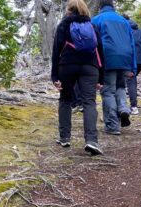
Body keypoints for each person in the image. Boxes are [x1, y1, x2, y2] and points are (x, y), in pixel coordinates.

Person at [51, 0, 103, 155]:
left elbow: (56, 51)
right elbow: (101, 52)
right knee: (89, 102)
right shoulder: (92, 26)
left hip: (67, 66)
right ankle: (91, 140)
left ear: (69, 10)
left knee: (65, 99)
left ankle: (65, 137)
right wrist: (102, 78)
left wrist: (54, 76)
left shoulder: (63, 25)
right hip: (90, 67)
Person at [92, 0, 137, 135]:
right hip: (125, 57)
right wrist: (133, 68)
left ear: (100, 7)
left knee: (108, 91)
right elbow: (132, 43)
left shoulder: (96, 19)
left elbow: (92, 42)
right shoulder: (124, 21)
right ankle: (123, 108)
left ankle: (112, 125)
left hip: (108, 57)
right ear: (113, 6)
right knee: (120, 86)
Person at [123, 15, 141, 115]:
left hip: (130, 59)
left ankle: (133, 107)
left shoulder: (123, 30)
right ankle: (131, 106)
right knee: (131, 79)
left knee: (130, 80)